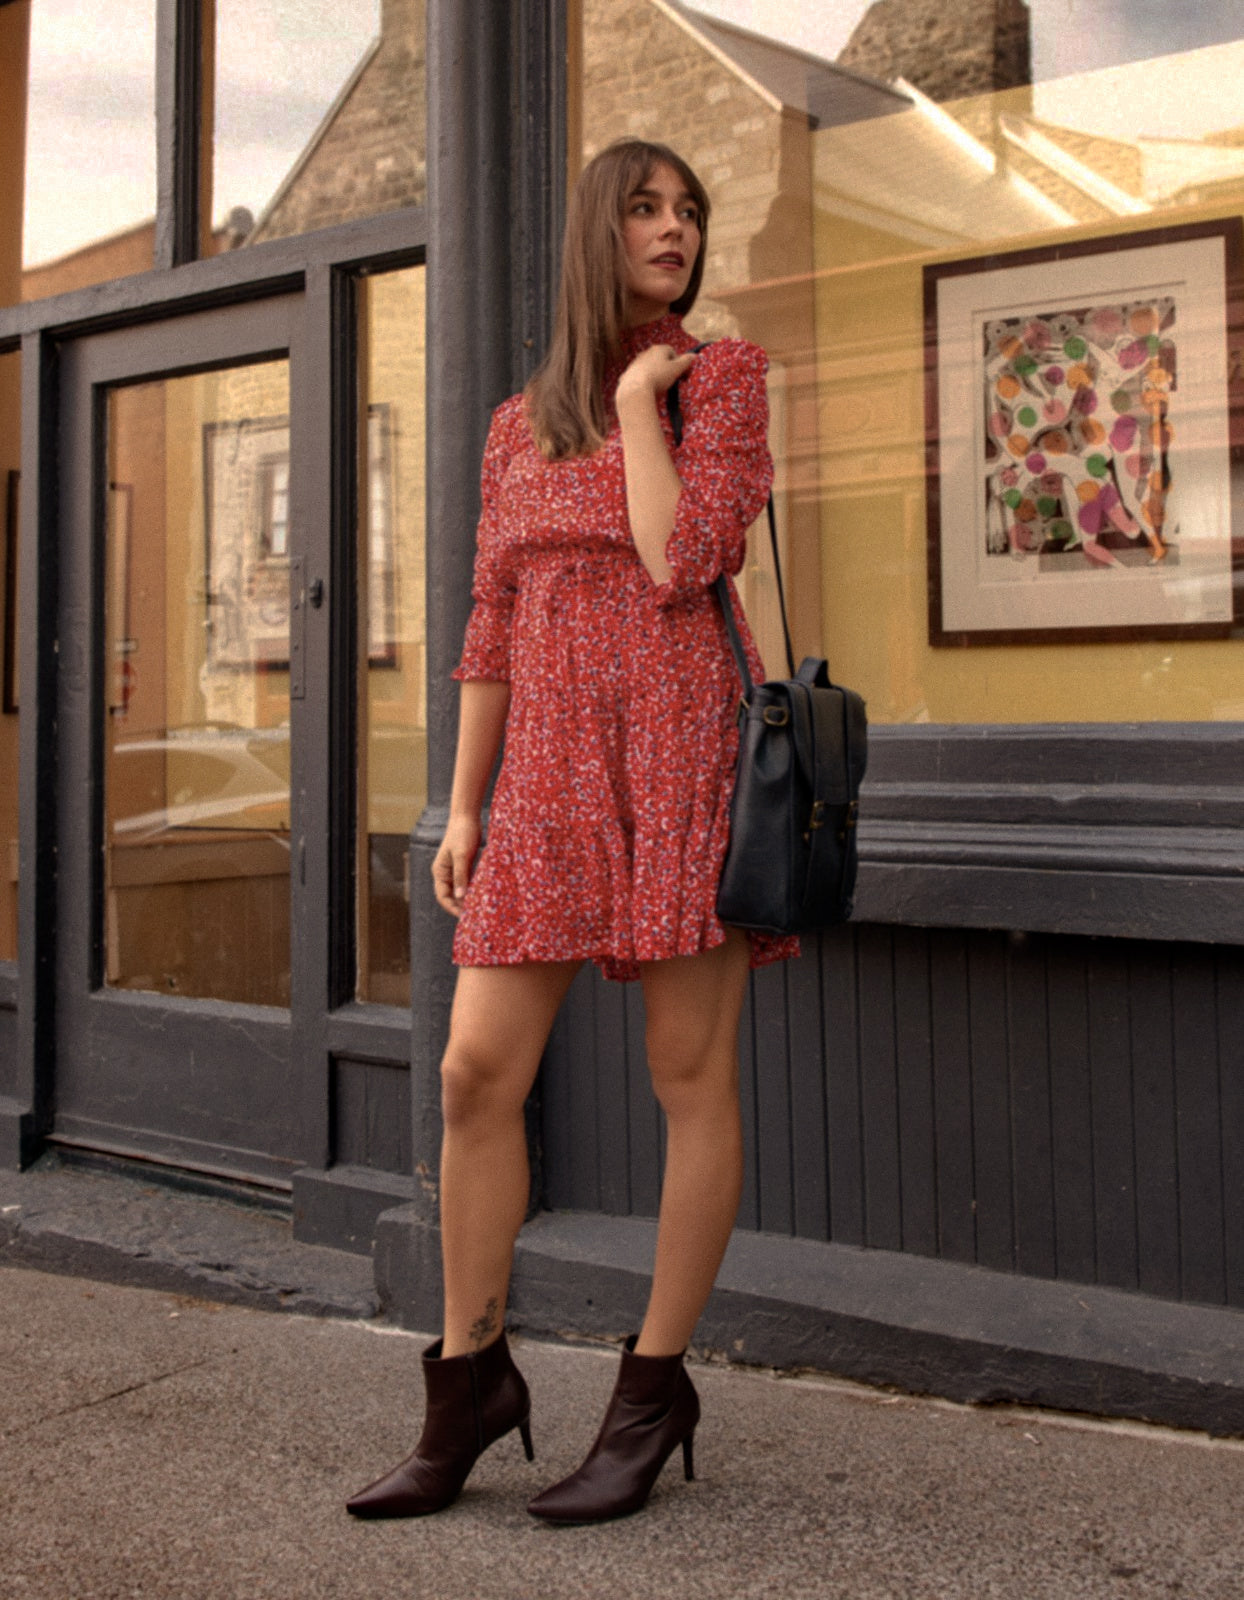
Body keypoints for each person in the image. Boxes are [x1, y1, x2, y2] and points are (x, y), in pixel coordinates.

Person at [346, 137, 797, 1527]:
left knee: (685, 1071)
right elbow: (489, 622)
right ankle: (467, 1378)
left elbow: (678, 560)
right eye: (648, 209)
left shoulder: (719, 381)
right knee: (477, 1072)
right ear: (595, 231)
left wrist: (643, 408)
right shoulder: (511, 427)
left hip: (680, 764)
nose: (674, 229)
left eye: (690, 213)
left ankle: (652, 1389)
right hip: (542, 774)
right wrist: (468, 800)